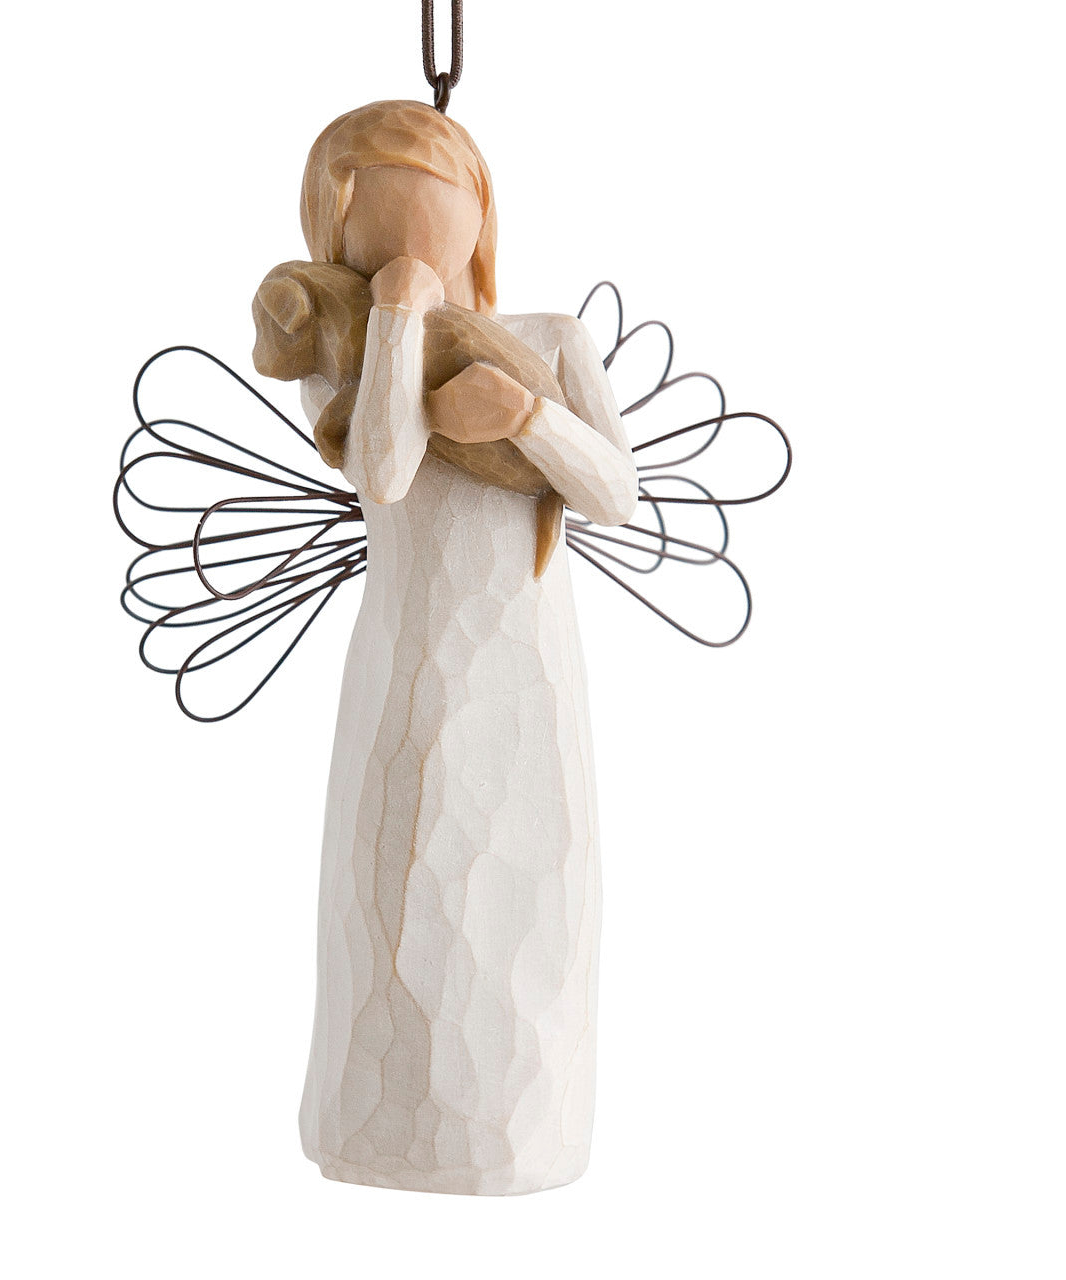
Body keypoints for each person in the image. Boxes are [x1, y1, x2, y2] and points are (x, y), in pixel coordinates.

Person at [279, 99, 638, 1194]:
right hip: (408, 670)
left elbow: (615, 491)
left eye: (432, 208)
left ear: (479, 209)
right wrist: (397, 315)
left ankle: (524, 1131)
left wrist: (523, 418)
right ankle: (377, 1126)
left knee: (530, 909)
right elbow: (383, 469)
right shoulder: (341, 356)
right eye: (378, 225)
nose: (411, 239)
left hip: (530, 676)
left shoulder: (549, 340)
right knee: (393, 894)